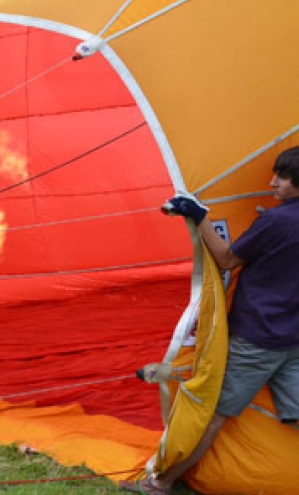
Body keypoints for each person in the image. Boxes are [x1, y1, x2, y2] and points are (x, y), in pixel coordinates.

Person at [121, 146, 299, 495]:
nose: (272, 182)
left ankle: (161, 483)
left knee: (211, 414)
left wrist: (199, 216)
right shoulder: (277, 221)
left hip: (258, 339)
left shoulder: (276, 222)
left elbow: (227, 259)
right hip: (294, 340)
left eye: (282, 177)